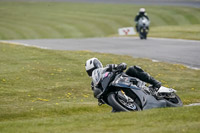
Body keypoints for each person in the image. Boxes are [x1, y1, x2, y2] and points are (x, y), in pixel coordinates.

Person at [85, 58, 161, 94]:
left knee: (133, 69)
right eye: (90, 71)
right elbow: (96, 93)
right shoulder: (94, 83)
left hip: (122, 80)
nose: (92, 72)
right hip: (113, 91)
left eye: (93, 69)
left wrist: (120, 66)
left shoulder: (107, 68)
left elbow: (117, 66)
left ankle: (155, 83)